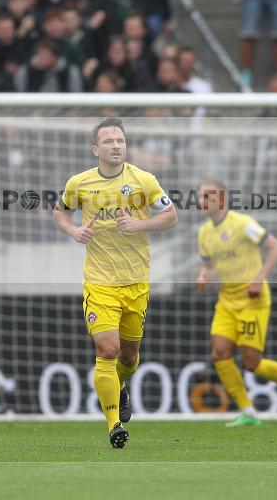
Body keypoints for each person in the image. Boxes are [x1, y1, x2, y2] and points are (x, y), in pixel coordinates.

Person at [53, 116, 178, 448]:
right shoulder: (79, 183)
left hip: (136, 282)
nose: (116, 145)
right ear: (96, 149)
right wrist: (74, 230)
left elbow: (171, 216)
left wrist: (139, 226)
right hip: (100, 282)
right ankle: (114, 425)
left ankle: (120, 386)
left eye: (120, 140)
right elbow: (60, 212)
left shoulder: (144, 180)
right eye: (108, 141)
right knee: (107, 350)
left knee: (128, 356)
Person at [195, 178, 277, 426]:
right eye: (200, 196)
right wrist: (204, 275)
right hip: (227, 300)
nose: (200, 201)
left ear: (222, 200)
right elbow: (209, 264)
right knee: (220, 353)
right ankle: (248, 411)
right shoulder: (204, 233)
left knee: (252, 363)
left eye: (207, 196)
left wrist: (258, 279)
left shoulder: (243, 224)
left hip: (252, 300)